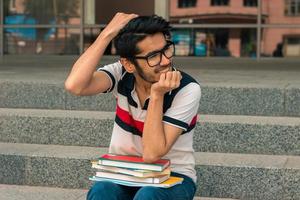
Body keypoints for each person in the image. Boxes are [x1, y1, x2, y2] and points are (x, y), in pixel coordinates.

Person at [65, 13, 201, 200]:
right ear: (129, 64)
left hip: (173, 176)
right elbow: (75, 85)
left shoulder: (186, 89)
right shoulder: (121, 73)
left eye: (166, 49)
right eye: (153, 56)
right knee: (102, 191)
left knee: (148, 195)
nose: (165, 61)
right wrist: (107, 34)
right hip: (123, 172)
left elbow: (152, 154)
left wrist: (156, 95)